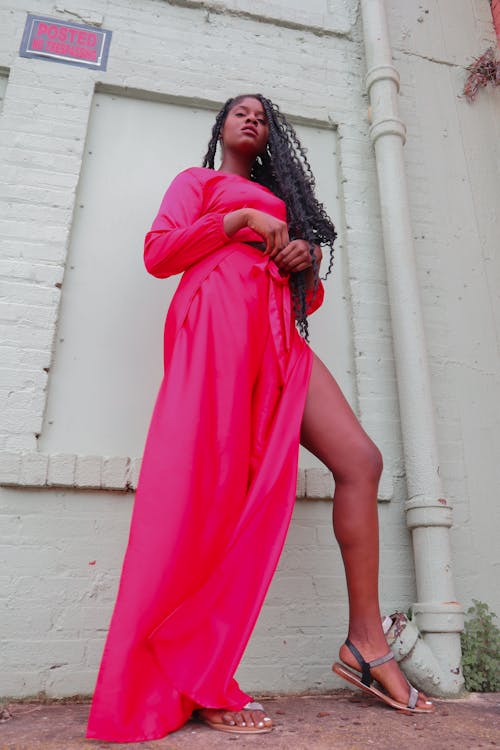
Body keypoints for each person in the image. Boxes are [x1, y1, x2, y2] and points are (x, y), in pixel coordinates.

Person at [86, 94, 434, 743]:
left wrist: (306, 262)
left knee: (361, 461)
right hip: (216, 328)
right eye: (240, 111)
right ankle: (198, 678)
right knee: (213, 499)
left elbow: (308, 296)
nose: (253, 119)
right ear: (219, 126)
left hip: (277, 337)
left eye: (263, 115)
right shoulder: (197, 184)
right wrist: (235, 220)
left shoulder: (286, 205)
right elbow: (159, 254)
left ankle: (366, 642)